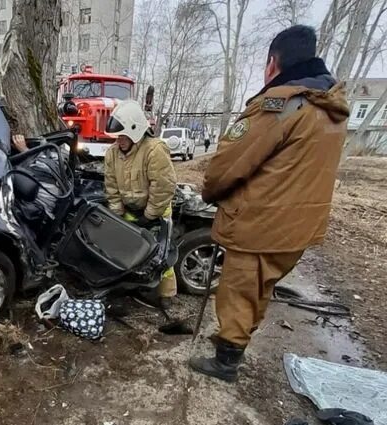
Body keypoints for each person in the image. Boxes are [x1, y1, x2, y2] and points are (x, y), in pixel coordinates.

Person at [189, 25, 349, 382]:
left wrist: (211, 192)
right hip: (299, 227)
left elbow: (229, 164)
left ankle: (226, 361)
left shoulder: (282, 105)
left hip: (259, 224)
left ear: (272, 62)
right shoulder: (330, 108)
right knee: (261, 288)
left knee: (239, 291)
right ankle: (237, 346)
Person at [104, 100, 178, 309]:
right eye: (117, 137)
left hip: (156, 208)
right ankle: (129, 288)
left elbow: (163, 185)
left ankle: (166, 293)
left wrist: (150, 214)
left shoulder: (154, 150)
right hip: (129, 209)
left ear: (136, 131)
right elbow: (111, 185)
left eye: (123, 136)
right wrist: (117, 213)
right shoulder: (112, 153)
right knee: (126, 250)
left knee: (160, 254)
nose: (119, 141)